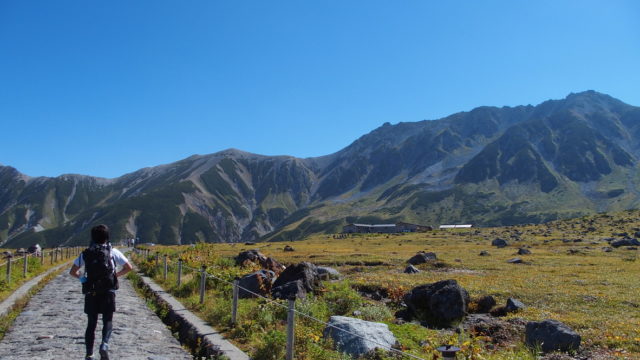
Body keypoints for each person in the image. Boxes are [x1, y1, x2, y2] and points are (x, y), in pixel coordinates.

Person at [69, 224, 133, 360]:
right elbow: (129, 267)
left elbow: (72, 272)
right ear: (107, 237)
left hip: (91, 291)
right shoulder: (112, 252)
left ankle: (89, 354)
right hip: (108, 291)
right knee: (107, 320)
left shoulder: (86, 253)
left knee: (91, 323)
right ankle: (104, 345)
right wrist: (115, 275)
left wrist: (82, 278)